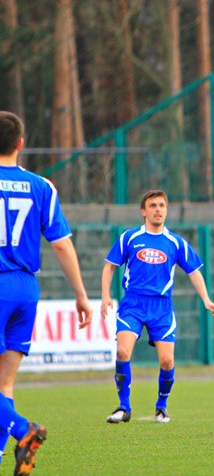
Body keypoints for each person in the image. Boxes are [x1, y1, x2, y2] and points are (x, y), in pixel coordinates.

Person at [0, 111, 93, 475]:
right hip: (25, 288)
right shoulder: (41, 186)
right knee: (4, 381)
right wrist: (82, 294)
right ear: (21, 144)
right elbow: (61, 246)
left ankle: (23, 430)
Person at [100, 189, 214, 424]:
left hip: (161, 307)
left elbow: (194, 272)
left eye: (162, 206)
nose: (158, 210)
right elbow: (109, 267)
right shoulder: (129, 237)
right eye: (153, 205)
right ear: (143, 211)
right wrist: (105, 296)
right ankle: (124, 407)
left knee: (167, 361)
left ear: (166, 210)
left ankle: (161, 407)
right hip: (133, 303)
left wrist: (206, 299)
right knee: (123, 352)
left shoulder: (175, 242)